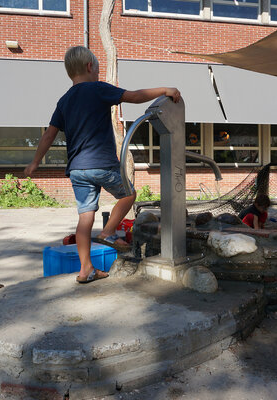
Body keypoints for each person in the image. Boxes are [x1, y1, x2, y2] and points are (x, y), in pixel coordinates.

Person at [24, 46, 181, 284]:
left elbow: (48, 135)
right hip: (102, 164)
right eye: (98, 69)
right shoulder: (98, 89)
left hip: (77, 169)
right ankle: (108, 232)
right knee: (129, 195)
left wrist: (35, 162)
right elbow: (135, 96)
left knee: (85, 217)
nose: (98, 73)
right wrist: (165, 89)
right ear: (90, 67)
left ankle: (86, 268)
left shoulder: (64, 100)